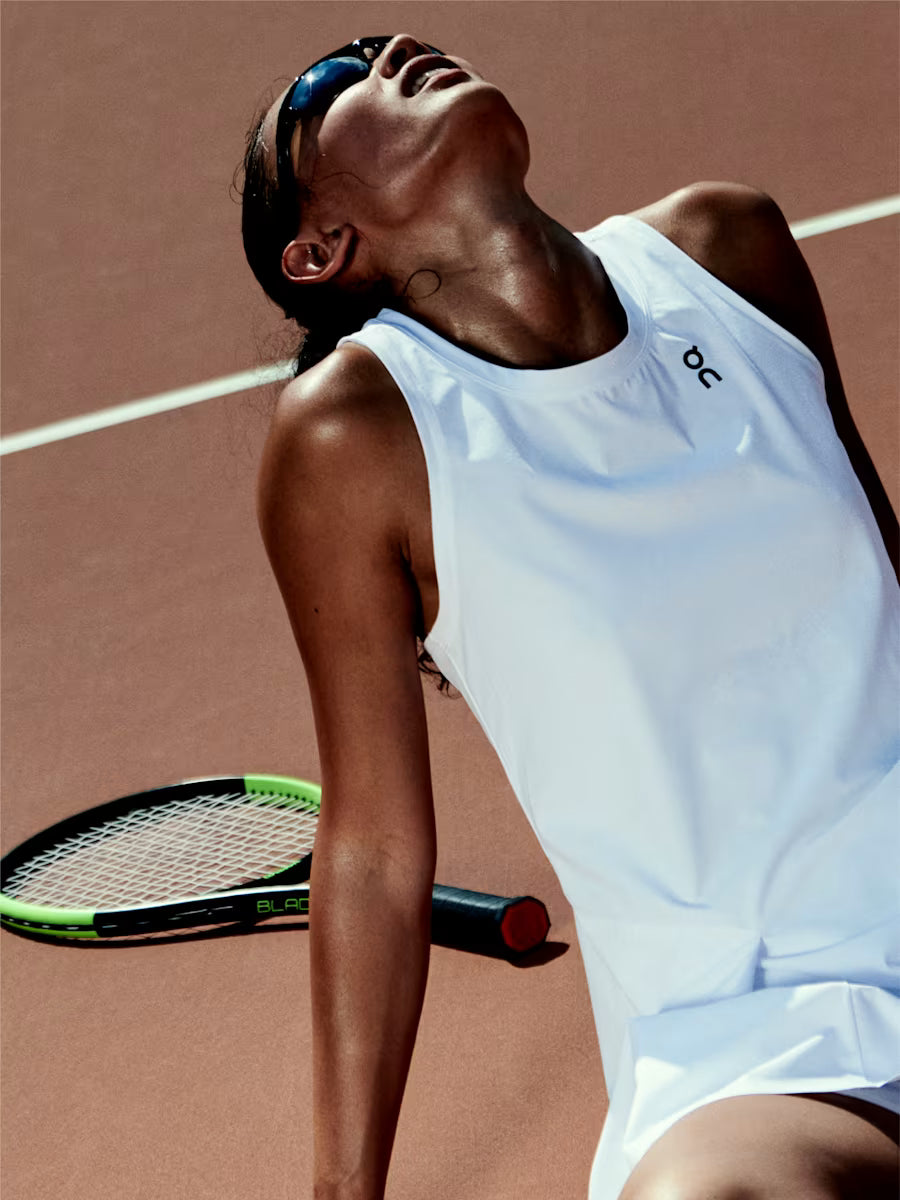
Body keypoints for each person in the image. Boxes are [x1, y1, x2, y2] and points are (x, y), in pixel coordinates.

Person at [240, 34, 899, 1200]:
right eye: (337, 78)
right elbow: (376, 849)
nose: (395, 49)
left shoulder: (728, 250)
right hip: (754, 1042)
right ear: (321, 247)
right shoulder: (355, 432)